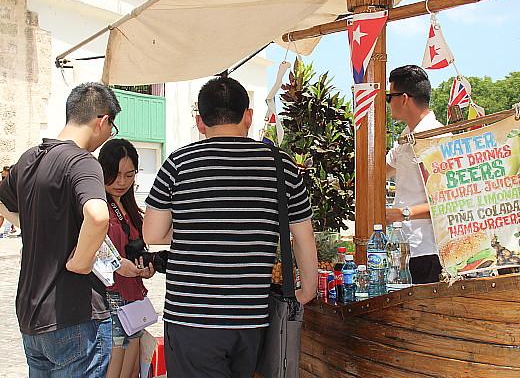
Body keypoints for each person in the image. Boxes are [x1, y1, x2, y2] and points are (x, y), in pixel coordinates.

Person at [143, 76, 318, 378]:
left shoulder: (179, 163)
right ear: (248, 116)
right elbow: (303, 238)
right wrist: (307, 290)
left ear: (200, 122)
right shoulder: (282, 165)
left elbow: (153, 234)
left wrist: (194, 230)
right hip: (251, 319)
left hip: (191, 317)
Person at [0, 82, 121, 376]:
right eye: (111, 128)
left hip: (32, 315)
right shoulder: (81, 161)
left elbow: (4, 202)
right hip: (74, 313)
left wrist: (30, 224)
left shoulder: (28, 159)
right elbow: (97, 215)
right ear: (102, 120)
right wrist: (80, 262)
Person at [385, 65, 448, 284]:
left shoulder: (435, 139)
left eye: (388, 97)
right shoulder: (406, 137)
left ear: (403, 99)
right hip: (405, 248)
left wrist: (401, 213)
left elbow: (447, 201)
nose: (387, 103)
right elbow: (380, 172)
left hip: (429, 250)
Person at [99, 139, 156, 378]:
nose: (121, 182)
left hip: (134, 296)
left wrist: (145, 267)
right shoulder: (97, 206)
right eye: (115, 175)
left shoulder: (131, 208)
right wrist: (116, 265)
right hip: (109, 297)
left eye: (129, 175)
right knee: (114, 371)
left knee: (133, 372)